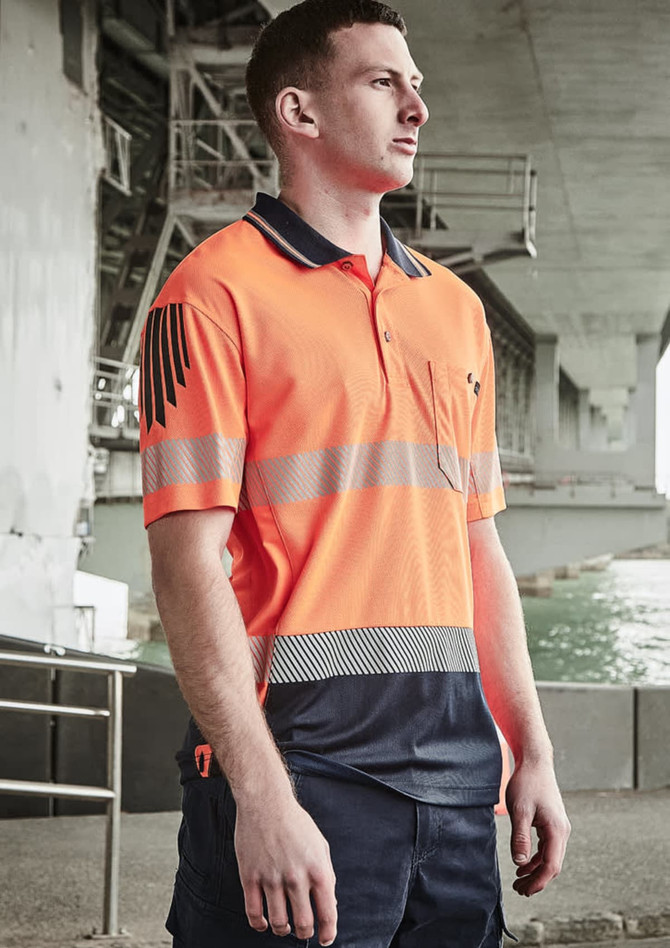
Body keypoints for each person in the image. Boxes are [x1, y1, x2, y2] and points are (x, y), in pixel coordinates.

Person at [139, 1, 571, 946]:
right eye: (384, 83)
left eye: (417, 85)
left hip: (458, 784)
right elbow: (187, 565)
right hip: (303, 771)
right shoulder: (208, 296)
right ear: (301, 112)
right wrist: (260, 796)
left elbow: (475, 543)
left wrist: (527, 747)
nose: (418, 107)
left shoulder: (455, 311)